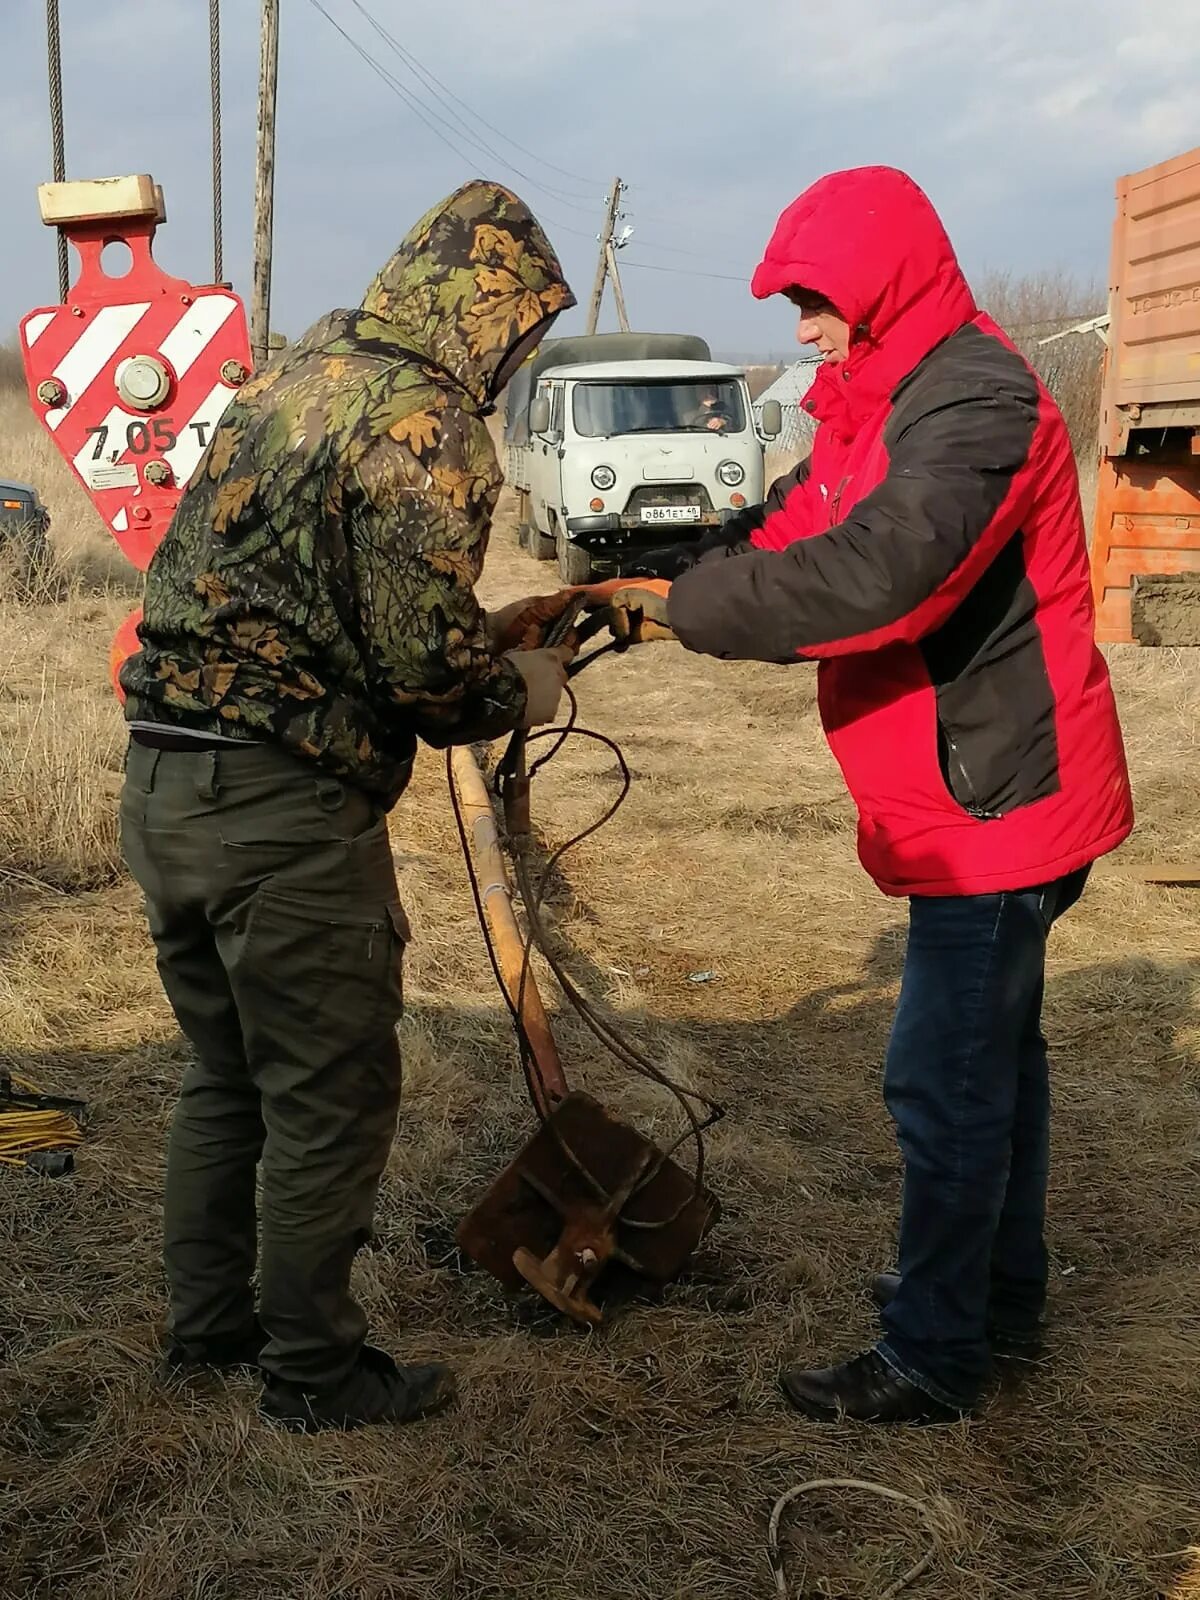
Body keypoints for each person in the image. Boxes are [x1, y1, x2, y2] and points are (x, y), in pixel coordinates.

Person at [593, 165, 1133, 1424]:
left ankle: (933, 1355)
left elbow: (883, 575)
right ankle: (999, 1304)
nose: (801, 328)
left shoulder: (980, 400)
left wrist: (693, 611)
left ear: (883, 283)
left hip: (998, 798)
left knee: (942, 1079)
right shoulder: (876, 395)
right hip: (959, 789)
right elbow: (802, 523)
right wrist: (683, 567)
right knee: (997, 1067)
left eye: (816, 300)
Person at [118, 180, 576, 1433]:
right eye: (522, 332)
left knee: (226, 1078)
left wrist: (490, 633)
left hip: (163, 783)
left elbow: (322, 608)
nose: (518, 357)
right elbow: (423, 674)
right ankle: (314, 1373)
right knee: (328, 1095)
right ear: (489, 312)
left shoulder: (291, 383)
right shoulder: (429, 419)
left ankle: (208, 1331)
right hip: (278, 813)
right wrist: (515, 684)